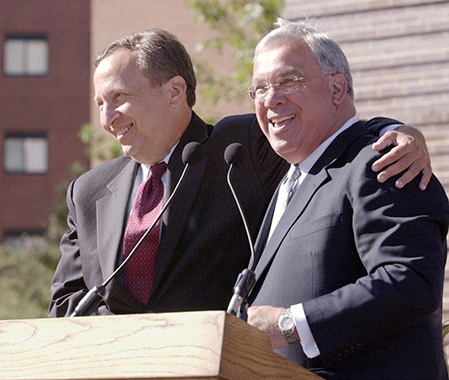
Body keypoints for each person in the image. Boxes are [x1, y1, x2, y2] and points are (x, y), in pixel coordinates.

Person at [49, 28, 431, 317]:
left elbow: (321, 127)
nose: (106, 118)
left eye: (118, 98)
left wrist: (393, 132)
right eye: (100, 102)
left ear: (174, 91)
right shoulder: (88, 191)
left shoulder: (239, 147)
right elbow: (64, 306)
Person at [245, 19, 449, 380]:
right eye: (259, 89)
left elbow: (411, 282)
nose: (271, 99)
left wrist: (291, 324)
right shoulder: (290, 179)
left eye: (288, 82)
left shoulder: (380, 161)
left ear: (337, 89)